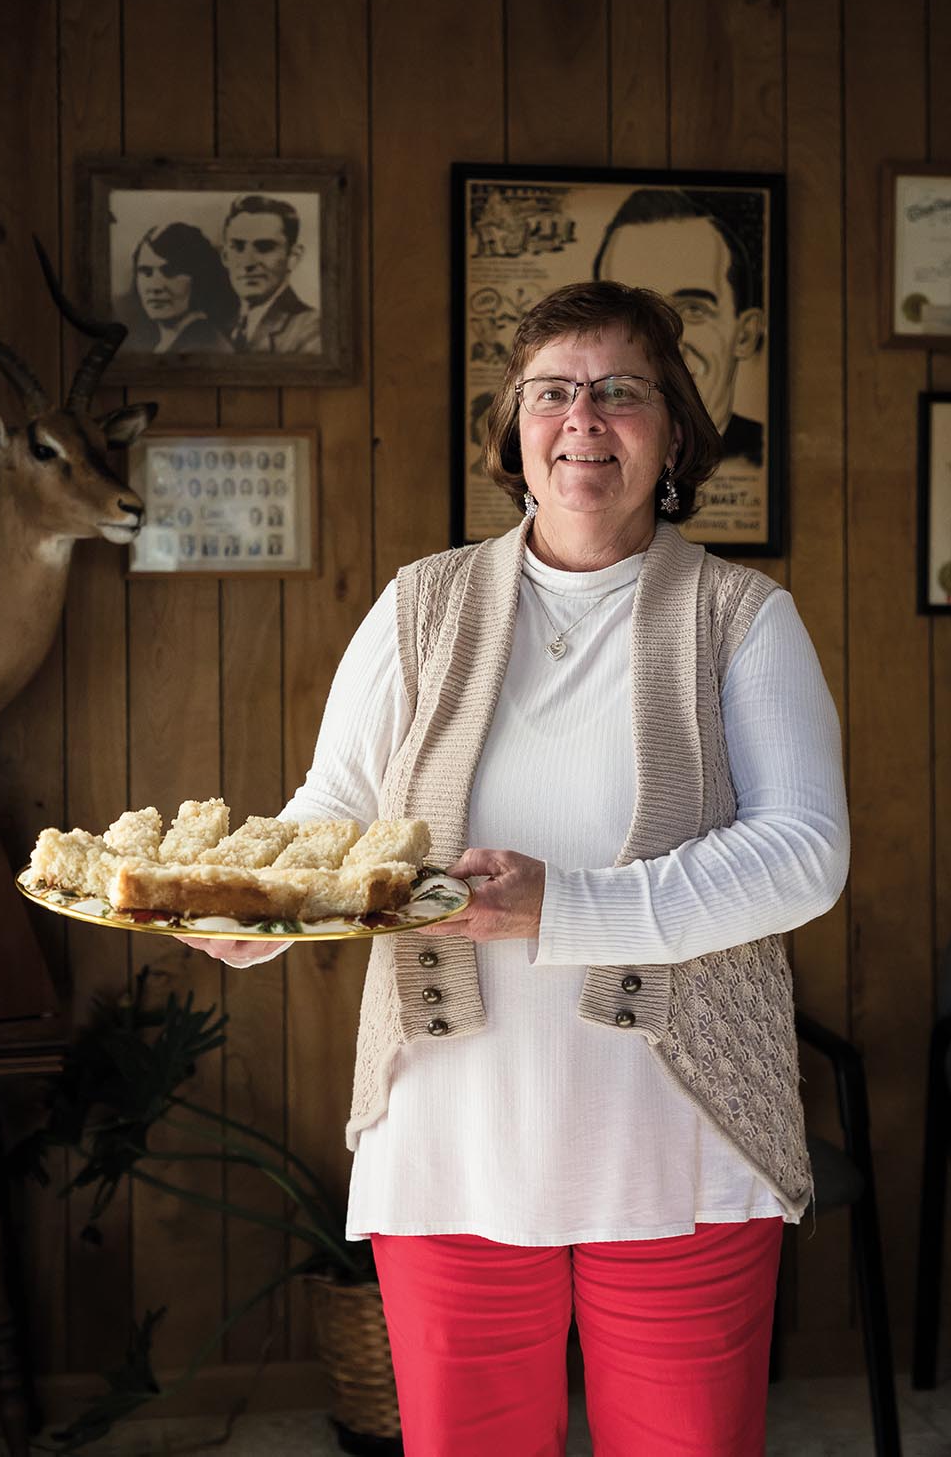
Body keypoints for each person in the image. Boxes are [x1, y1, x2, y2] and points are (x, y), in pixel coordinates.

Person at [180, 281, 848, 1456]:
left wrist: (568, 905)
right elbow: (335, 810)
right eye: (553, 390)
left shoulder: (743, 616)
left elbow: (804, 852)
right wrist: (259, 917)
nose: (582, 416)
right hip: (453, 1132)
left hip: (675, 1134)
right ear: (513, 429)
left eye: (620, 390)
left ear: (674, 430)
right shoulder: (418, 605)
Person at [593, 189, 767, 465]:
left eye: (693, 310)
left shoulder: (759, 450)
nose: (663, 342)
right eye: (633, 314)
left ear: (744, 334)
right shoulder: (582, 452)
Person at [220, 194, 322, 354]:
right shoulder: (221, 329)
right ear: (225, 257)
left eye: (265, 247)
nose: (248, 263)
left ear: (293, 257)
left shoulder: (314, 330)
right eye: (238, 247)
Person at [126, 223, 236, 354]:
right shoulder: (168, 343)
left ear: (199, 278)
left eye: (171, 272)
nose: (155, 287)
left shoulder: (205, 347)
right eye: (146, 272)